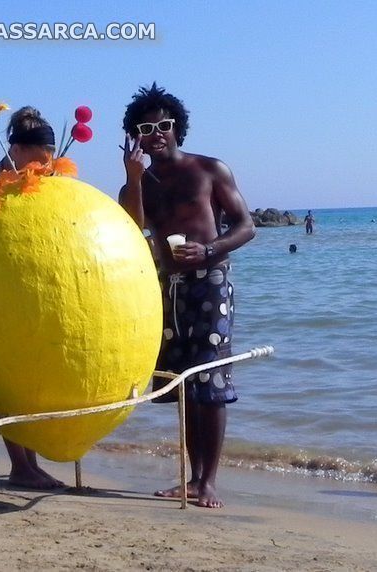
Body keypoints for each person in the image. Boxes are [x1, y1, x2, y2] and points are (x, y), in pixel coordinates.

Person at [119, 84, 256, 508]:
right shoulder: (137, 185)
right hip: (167, 287)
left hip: (211, 281)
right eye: (146, 127)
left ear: (178, 128)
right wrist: (133, 177)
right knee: (184, 386)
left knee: (211, 382)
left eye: (163, 125)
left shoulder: (209, 169)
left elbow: (246, 225)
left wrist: (210, 249)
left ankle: (207, 482)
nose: (156, 133)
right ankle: (191, 479)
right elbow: (132, 227)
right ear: (135, 136)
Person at [0, 105, 64, 490]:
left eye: (50, 159)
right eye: (40, 159)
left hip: (32, 291)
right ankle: (20, 466)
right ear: (18, 150)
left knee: (29, 379)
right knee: (9, 381)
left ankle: (30, 463)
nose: (46, 166)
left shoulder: (42, 179)